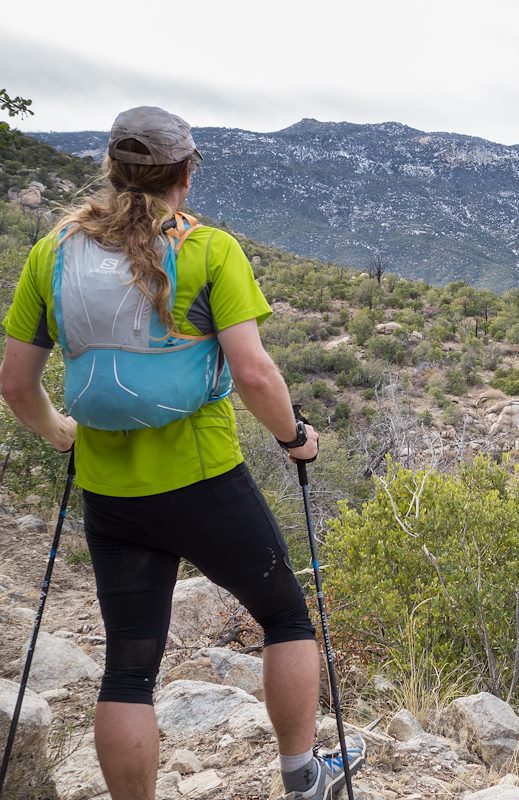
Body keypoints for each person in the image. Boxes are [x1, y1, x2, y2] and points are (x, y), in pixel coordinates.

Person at [0, 106, 364, 800]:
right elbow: (254, 373)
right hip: (204, 483)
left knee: (129, 669)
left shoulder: (54, 252)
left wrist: (59, 433)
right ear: (186, 174)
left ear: (110, 169)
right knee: (284, 615)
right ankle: (303, 776)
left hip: (111, 494)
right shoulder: (207, 250)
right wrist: (294, 439)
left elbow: (16, 384)